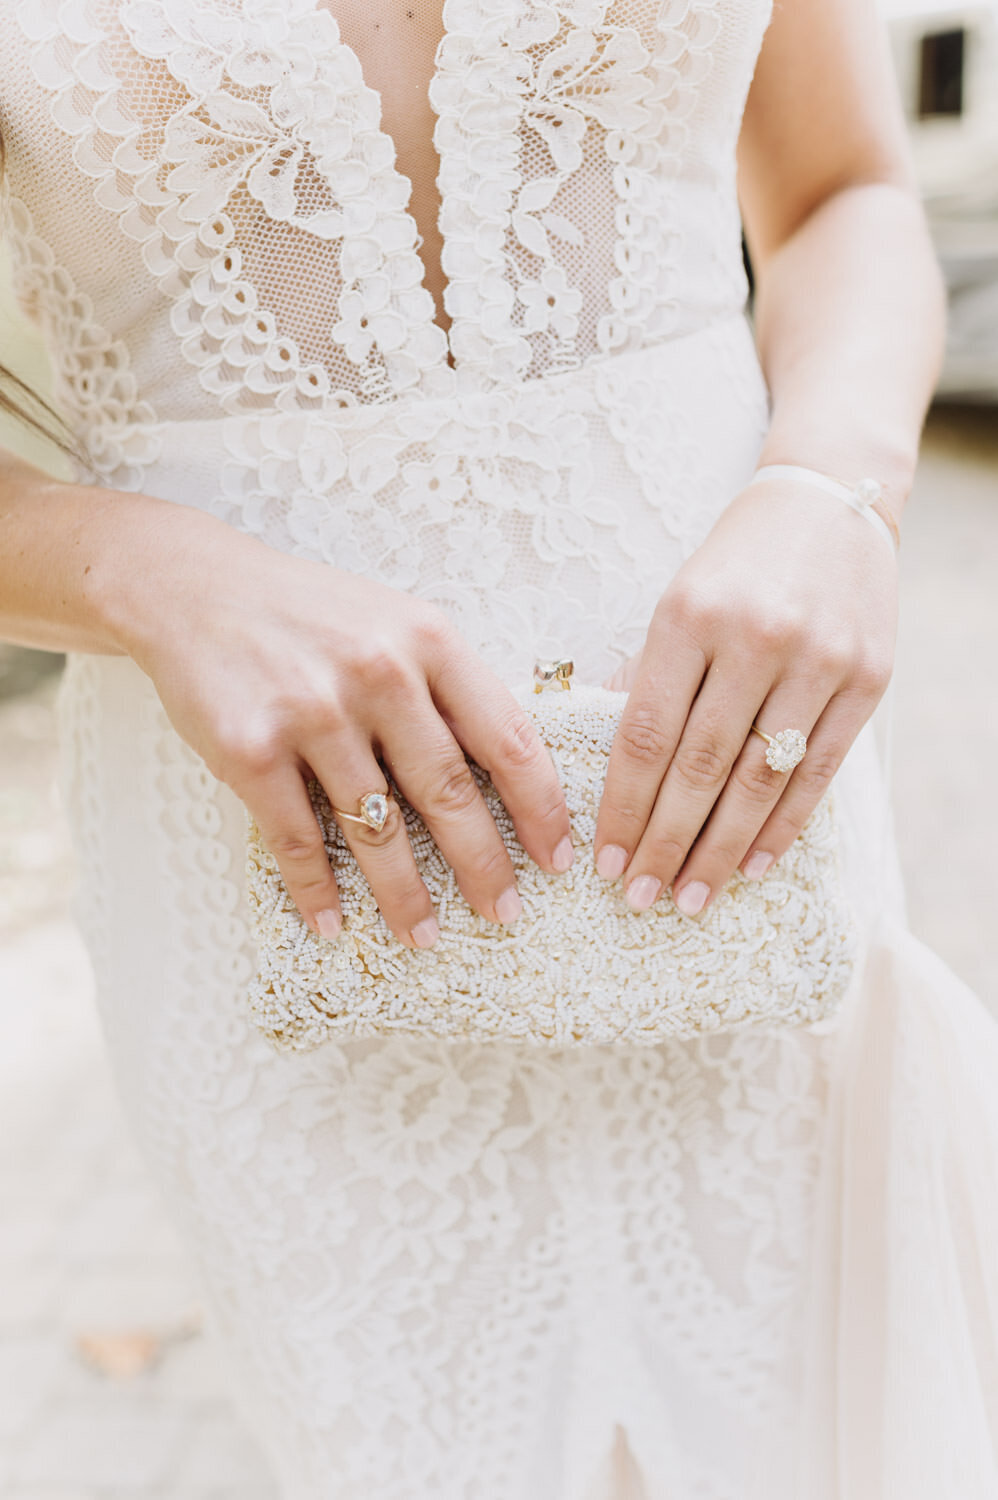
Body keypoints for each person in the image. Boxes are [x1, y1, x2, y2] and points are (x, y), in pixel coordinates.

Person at [1, 1, 996, 1495]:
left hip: (739, 783)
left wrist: (831, 491)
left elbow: (843, 190)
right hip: (281, 859)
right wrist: (151, 573)